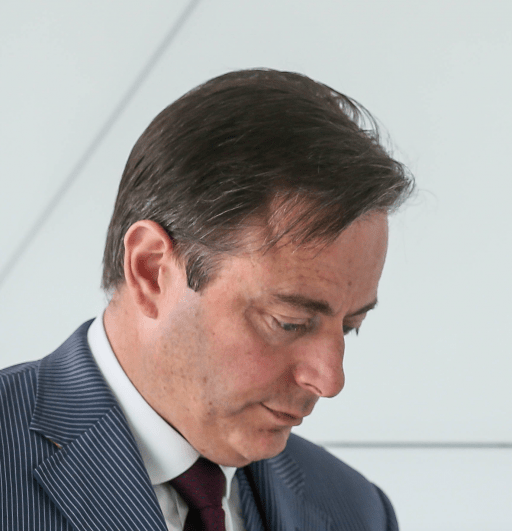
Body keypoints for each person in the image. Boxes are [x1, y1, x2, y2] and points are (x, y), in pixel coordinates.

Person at [0, 69, 413, 531]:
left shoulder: (357, 511)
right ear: (151, 270)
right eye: (289, 322)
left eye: (350, 327)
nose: (330, 380)